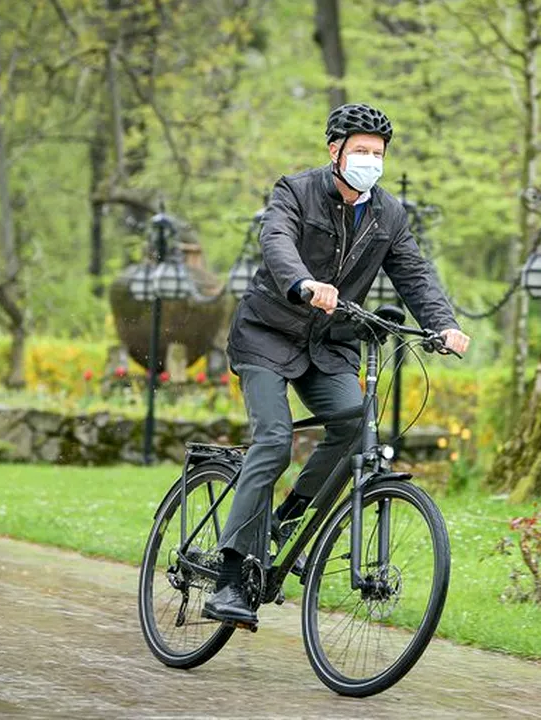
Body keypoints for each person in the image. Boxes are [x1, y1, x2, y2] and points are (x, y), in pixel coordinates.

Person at [204, 103, 471, 626]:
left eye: (378, 153)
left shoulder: (388, 215)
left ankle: (287, 522)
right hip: (266, 336)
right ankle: (230, 575)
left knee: (354, 427)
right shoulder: (295, 192)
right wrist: (303, 283)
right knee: (275, 439)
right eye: (361, 151)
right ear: (336, 151)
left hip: (328, 345)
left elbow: (414, 274)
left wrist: (444, 324)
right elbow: (276, 240)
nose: (370, 160)